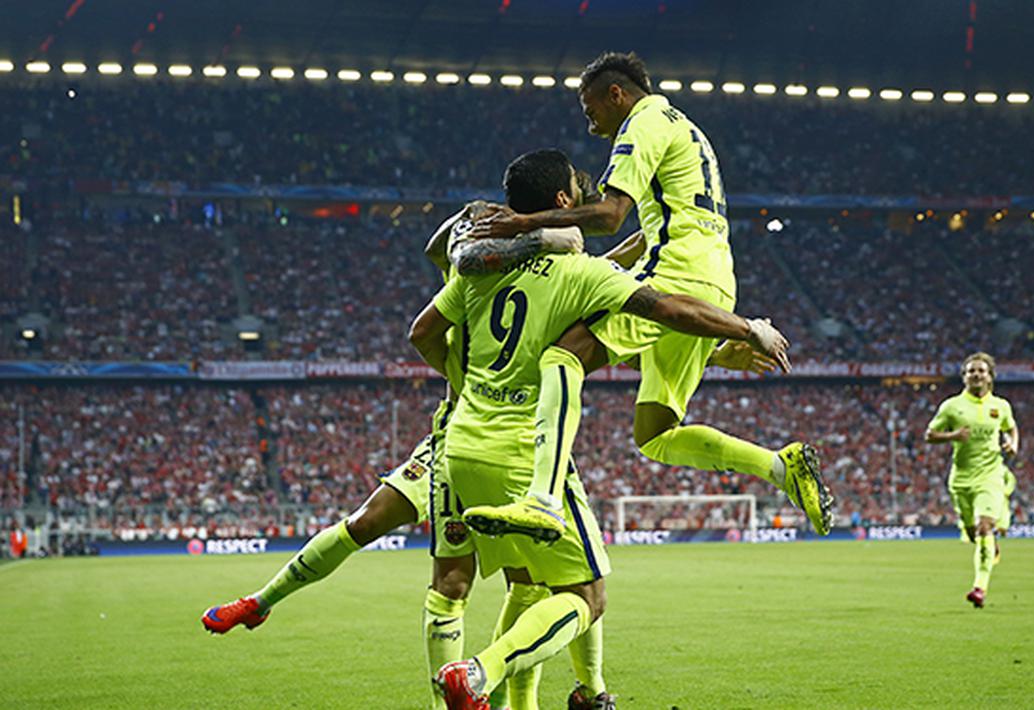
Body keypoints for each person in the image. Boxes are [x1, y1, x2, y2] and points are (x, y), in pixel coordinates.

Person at [408, 148, 790, 710]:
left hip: (462, 446)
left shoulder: (482, 270)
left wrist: (466, 381)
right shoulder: (585, 274)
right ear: (564, 202)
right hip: (524, 451)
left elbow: (422, 330)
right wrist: (746, 328)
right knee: (586, 595)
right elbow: (668, 311)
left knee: (528, 585)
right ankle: (479, 674)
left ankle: (566, 697)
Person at [200, 202, 586, 710]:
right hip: (453, 435)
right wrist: (474, 220)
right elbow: (436, 258)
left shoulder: (551, 279)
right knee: (370, 522)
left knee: (508, 582)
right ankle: (260, 602)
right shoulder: (484, 268)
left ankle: (519, 694)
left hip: (509, 441)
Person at [464, 51, 832, 543]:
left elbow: (611, 213)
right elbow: (646, 230)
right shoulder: (685, 128)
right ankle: (781, 468)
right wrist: (603, 267)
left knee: (562, 355)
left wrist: (525, 223)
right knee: (656, 435)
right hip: (713, 272)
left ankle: (544, 500)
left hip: (678, 270)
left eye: (589, 104)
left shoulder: (643, 122)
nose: (587, 116)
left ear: (616, 94)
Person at [925, 352, 1019, 609]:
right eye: (971, 371)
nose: (976, 374)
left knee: (984, 527)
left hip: (990, 475)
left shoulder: (1000, 406)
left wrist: (1012, 443)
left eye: (981, 371)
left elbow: (1011, 427)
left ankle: (979, 588)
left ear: (990, 377)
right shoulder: (952, 406)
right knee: (971, 533)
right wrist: (954, 435)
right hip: (961, 479)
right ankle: (990, 548)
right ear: (964, 377)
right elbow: (929, 435)